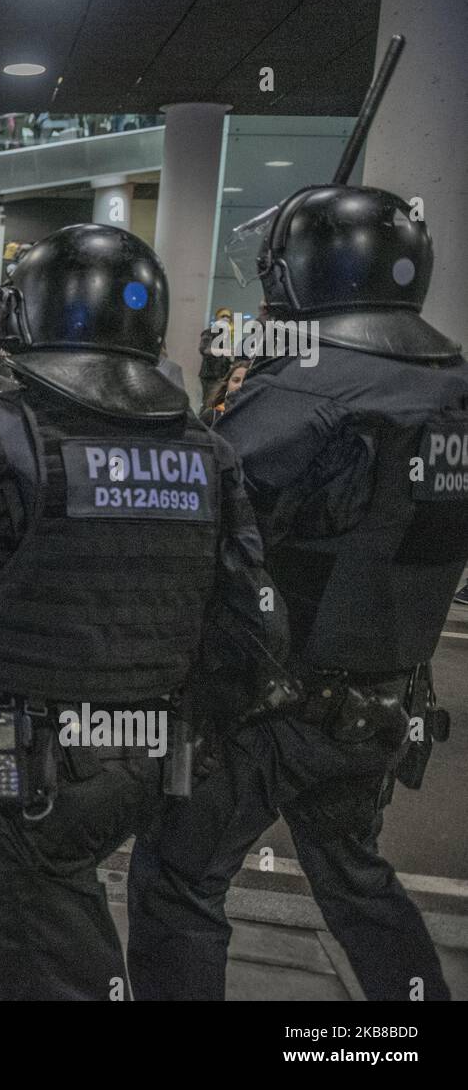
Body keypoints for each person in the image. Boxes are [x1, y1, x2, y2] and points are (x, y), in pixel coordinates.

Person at [0, 224, 285, 999]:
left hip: (40, 762)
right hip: (163, 750)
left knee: (60, 956)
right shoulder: (206, 449)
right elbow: (252, 612)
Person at [128, 184, 466, 1002]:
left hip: (268, 701)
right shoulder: (450, 381)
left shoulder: (309, 388)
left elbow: (201, 497)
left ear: (303, 274)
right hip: (384, 698)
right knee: (355, 877)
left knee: (178, 880)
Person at [198, 358, 249, 425]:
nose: (240, 386)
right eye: (236, 380)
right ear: (227, 385)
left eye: (246, 381)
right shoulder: (211, 416)